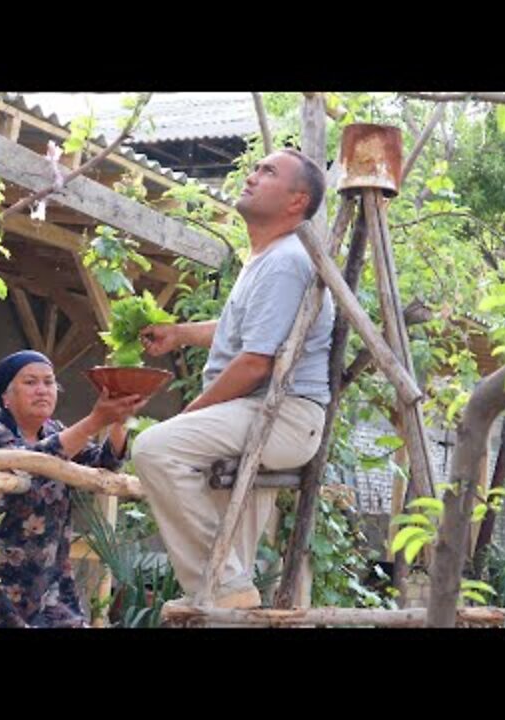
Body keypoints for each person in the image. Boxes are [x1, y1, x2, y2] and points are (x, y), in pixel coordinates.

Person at [133, 149, 334, 609]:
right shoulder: (266, 258)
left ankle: (218, 588)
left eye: (268, 172)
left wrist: (186, 417)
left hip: (281, 414)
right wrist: (180, 334)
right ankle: (222, 596)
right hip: (261, 414)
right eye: (256, 167)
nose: (251, 176)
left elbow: (254, 363)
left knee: (156, 448)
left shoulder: (284, 262)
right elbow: (240, 331)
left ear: (295, 201)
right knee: (232, 552)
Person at [0, 350, 146, 627]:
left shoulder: (54, 430)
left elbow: (107, 462)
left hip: (46, 584)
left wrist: (117, 421)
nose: (42, 390)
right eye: (30, 382)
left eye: (49, 382)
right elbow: (31, 461)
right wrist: (94, 421)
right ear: (5, 395)